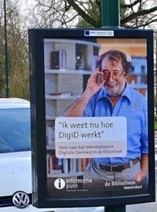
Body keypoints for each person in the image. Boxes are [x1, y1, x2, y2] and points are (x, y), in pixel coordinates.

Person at [64, 49, 149, 190]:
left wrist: (143, 173)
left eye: (115, 73)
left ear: (125, 74)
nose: (110, 79)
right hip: (97, 174)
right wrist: (88, 92)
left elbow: (147, 145)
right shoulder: (91, 99)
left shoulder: (141, 103)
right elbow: (67, 126)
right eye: (105, 72)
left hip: (130, 174)